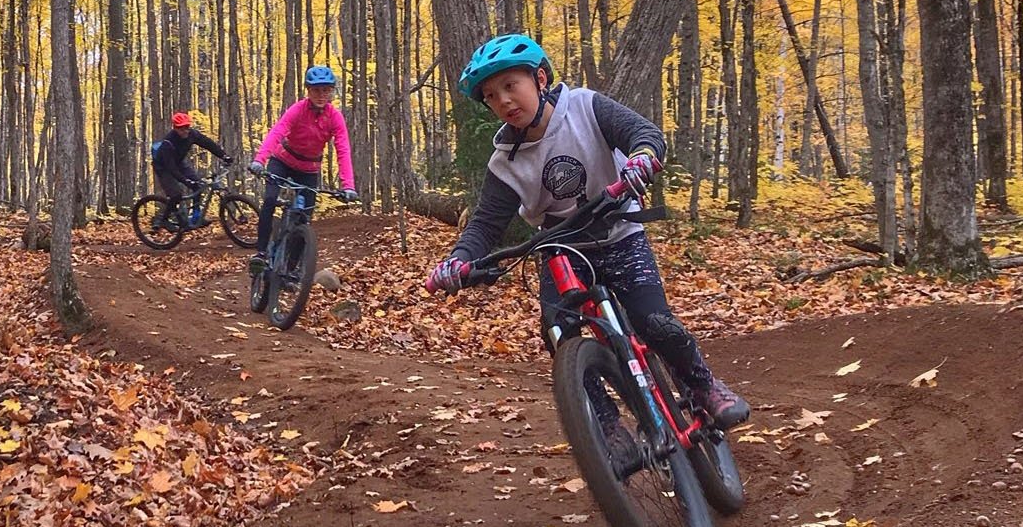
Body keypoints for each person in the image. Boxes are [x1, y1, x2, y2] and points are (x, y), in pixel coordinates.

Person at [423, 33, 749, 470]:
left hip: (619, 232)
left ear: (539, 79)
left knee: (655, 322)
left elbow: (642, 133)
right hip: (560, 248)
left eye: (510, 86)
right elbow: (485, 225)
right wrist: (458, 261)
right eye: (490, 96)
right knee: (559, 334)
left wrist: (643, 158)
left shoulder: (584, 106)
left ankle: (701, 386)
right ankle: (608, 427)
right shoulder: (505, 162)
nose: (502, 101)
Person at [248, 66, 356, 271]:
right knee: (270, 199)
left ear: (332, 91)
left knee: (305, 219)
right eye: (316, 90)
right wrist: (260, 160)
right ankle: (260, 253)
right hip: (282, 161)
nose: (321, 95)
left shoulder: (335, 118)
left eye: (326, 90)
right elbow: (278, 131)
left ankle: (290, 268)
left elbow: (343, 149)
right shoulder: (298, 109)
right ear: (308, 90)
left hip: (308, 170)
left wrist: (348, 185)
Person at [151, 112, 233, 228]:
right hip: (164, 167)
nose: (185, 131)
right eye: (181, 128)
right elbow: (171, 169)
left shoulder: (192, 134)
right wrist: (186, 181)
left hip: (178, 163)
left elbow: (208, 143)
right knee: (176, 194)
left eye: (187, 127)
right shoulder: (168, 143)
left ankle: (196, 216)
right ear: (175, 128)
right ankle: (163, 220)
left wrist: (224, 156)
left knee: (198, 185)